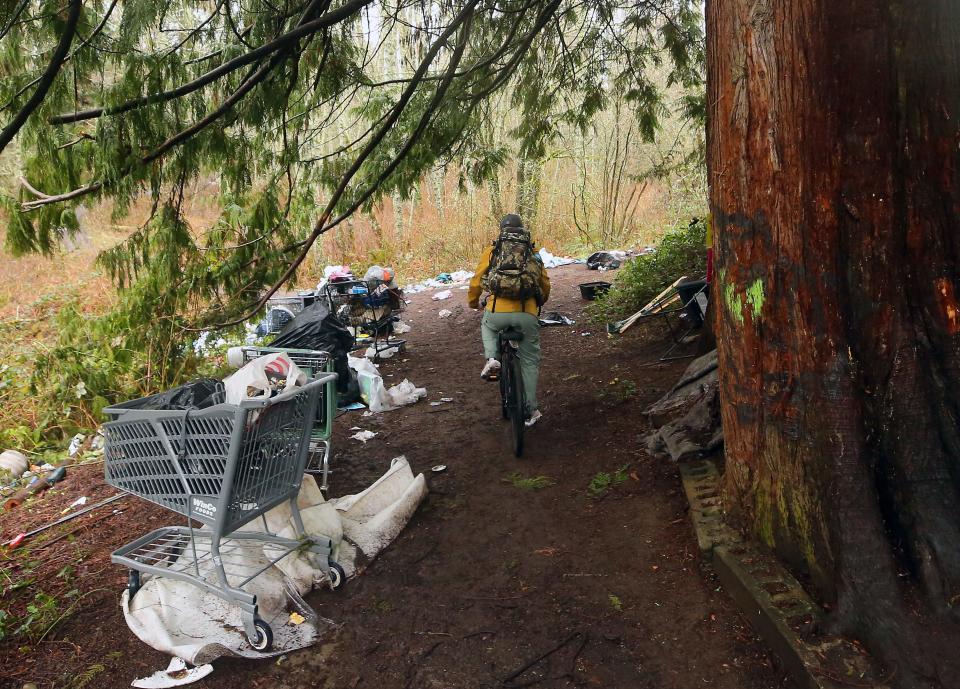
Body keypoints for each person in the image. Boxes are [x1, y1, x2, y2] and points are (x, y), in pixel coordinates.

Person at [468, 213, 551, 427]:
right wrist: (538, 301)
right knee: (529, 361)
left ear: (501, 231)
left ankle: (492, 359)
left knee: (487, 326)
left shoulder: (493, 251)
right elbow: (545, 284)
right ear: (522, 230)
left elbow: (476, 281)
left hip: (496, 312)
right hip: (527, 313)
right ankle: (531, 409)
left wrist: (473, 302)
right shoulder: (532, 253)